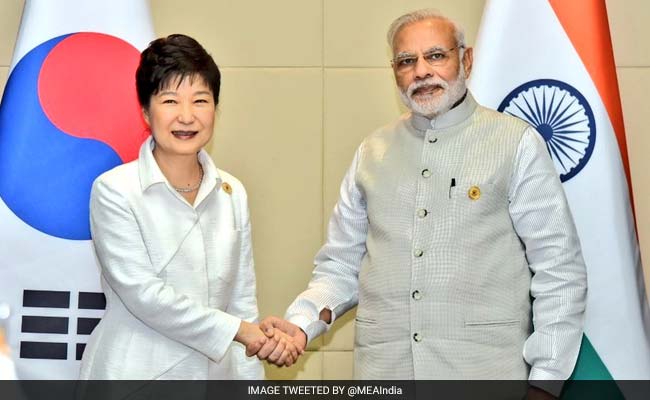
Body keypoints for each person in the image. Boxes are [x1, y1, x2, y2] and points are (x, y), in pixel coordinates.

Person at [260, 8, 587, 391]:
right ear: (394, 71)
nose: (421, 72)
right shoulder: (373, 152)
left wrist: (546, 381)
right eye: (406, 61)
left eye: (436, 56)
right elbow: (340, 266)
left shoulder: (515, 143)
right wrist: (300, 324)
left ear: (465, 59)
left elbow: (559, 271)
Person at [79, 34, 296, 379]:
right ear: (146, 112)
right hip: (132, 376)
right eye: (169, 101)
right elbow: (145, 295)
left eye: (200, 100)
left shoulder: (231, 192)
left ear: (215, 108)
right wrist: (240, 330)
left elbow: (242, 303)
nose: (186, 116)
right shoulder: (114, 191)